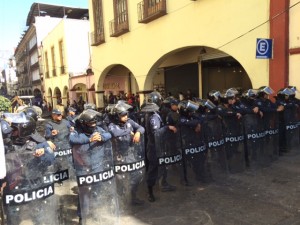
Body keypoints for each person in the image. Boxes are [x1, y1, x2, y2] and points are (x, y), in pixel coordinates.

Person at [3, 112, 57, 225]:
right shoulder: (7, 143)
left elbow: (50, 160)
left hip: (34, 184)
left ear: (24, 130)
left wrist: (42, 156)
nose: (12, 131)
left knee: (38, 213)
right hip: (14, 184)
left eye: (15, 129)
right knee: (13, 215)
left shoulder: (40, 143)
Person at [70, 109, 118, 224]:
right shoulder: (76, 131)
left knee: (97, 190)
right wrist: (89, 139)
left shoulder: (98, 129)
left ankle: (95, 212)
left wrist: (101, 137)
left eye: (94, 123)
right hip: (83, 167)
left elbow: (108, 134)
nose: (93, 125)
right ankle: (82, 216)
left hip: (98, 165)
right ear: (84, 123)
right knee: (84, 193)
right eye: (91, 123)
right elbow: (72, 139)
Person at [108, 101, 146, 207]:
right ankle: (121, 200)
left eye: (126, 114)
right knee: (120, 179)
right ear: (116, 116)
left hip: (130, 155)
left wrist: (138, 132)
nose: (125, 117)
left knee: (136, 176)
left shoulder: (129, 122)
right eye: (122, 115)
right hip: (119, 157)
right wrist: (129, 132)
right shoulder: (112, 125)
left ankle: (132, 197)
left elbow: (141, 128)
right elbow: (115, 133)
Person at [142, 91, 177, 202]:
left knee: (162, 166)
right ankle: (150, 192)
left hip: (157, 146)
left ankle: (164, 184)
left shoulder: (152, 114)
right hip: (154, 147)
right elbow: (156, 133)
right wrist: (168, 127)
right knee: (153, 169)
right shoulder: (153, 117)